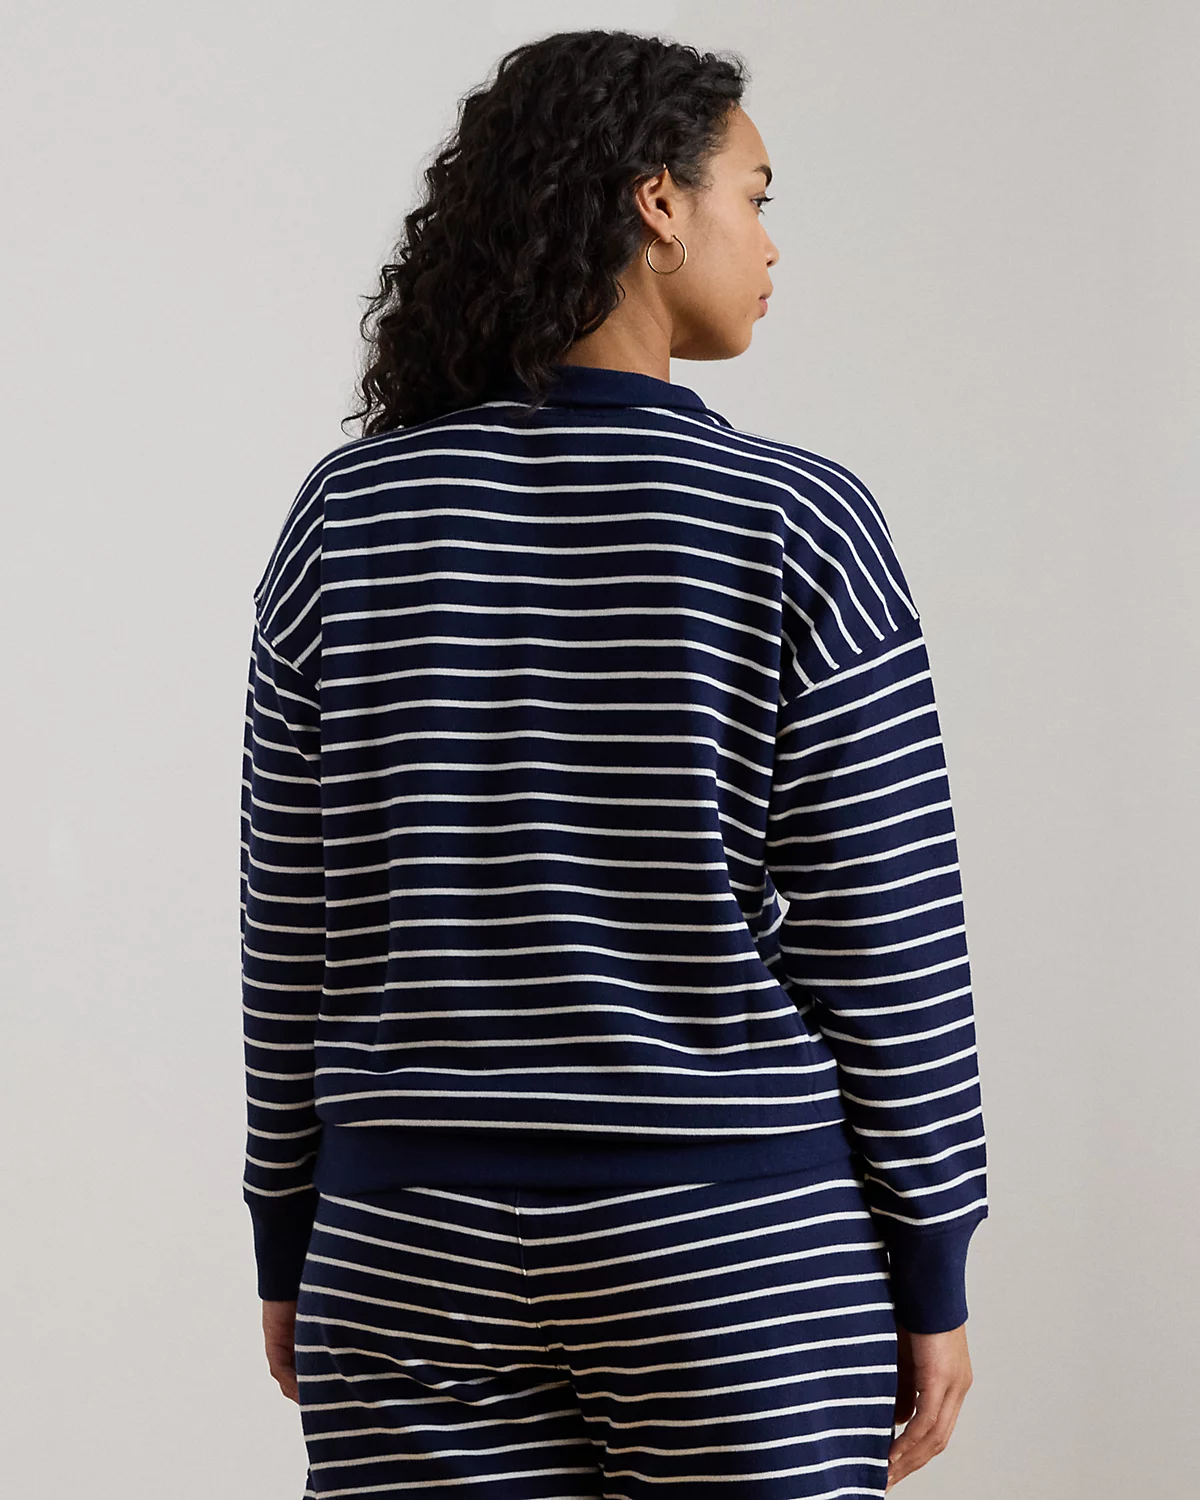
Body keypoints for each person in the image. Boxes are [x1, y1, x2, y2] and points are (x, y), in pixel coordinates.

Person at [240, 28, 988, 1497]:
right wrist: (933, 1260)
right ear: (658, 201)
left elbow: (296, 930)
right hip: (736, 1245)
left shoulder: (349, 520)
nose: (769, 242)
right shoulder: (795, 521)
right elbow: (885, 934)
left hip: (409, 1246)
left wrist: (291, 1234)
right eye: (753, 197)